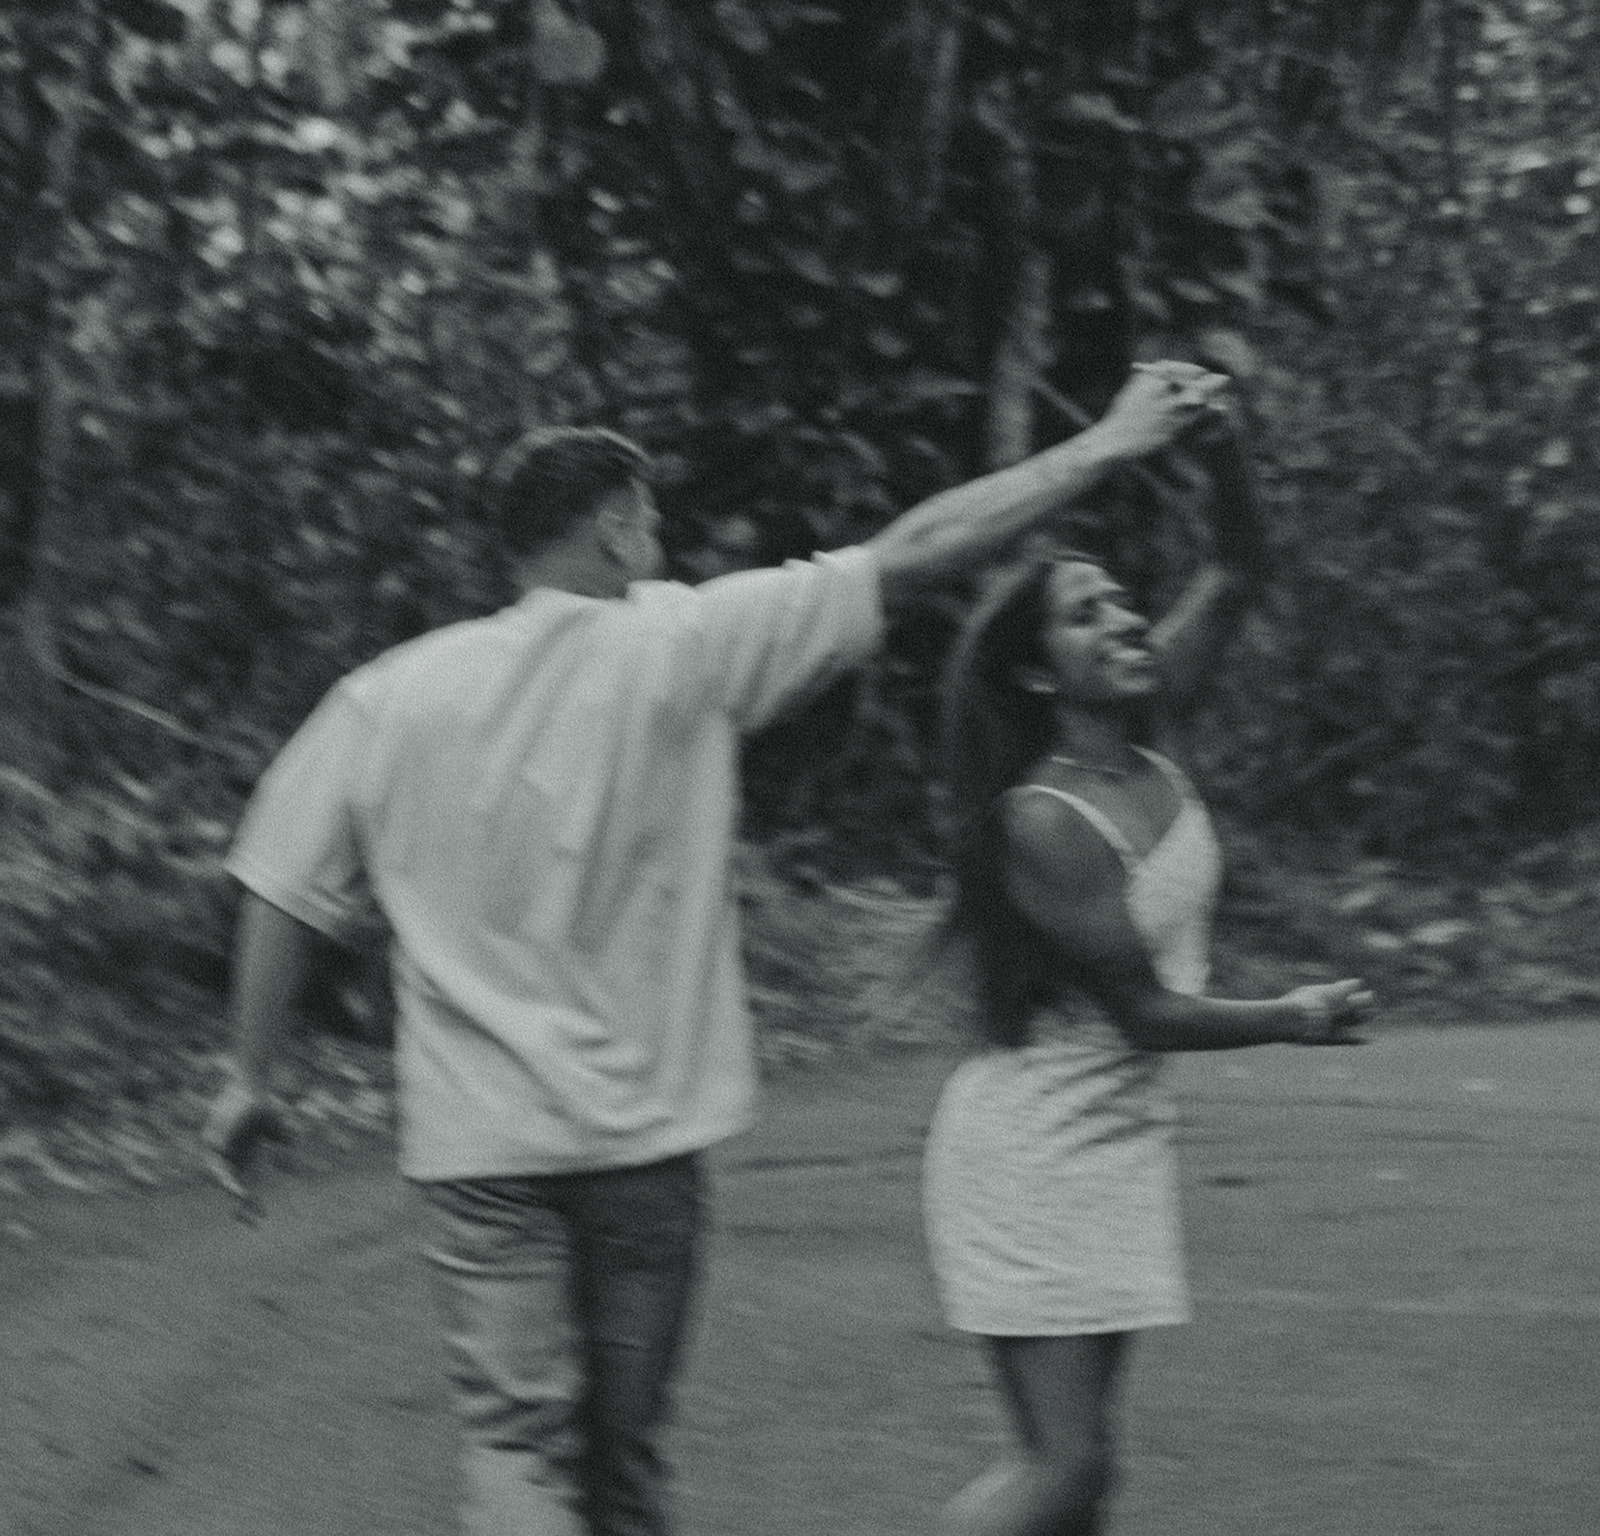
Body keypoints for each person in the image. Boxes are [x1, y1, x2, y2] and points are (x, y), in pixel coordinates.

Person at [201, 360, 1224, 1536]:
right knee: (624, 1460)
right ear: (617, 525)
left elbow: (277, 879)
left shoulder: (392, 695)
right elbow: (922, 546)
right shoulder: (684, 643)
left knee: (514, 1442)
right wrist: (1107, 440)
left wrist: (249, 1075)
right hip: (643, 1145)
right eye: (651, 519)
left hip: (476, 1148)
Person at [922, 409, 1376, 1536]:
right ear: (1036, 669)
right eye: (1086, 615)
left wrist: (1221, 451)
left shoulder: (1147, 722)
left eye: (1120, 599)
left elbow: (1236, 567)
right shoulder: (1044, 820)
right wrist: (1292, 1014)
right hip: (1035, 1150)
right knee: (1062, 1468)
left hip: (1112, 1142)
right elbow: (1143, 1012)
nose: (1123, 619)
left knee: (1086, 1475)